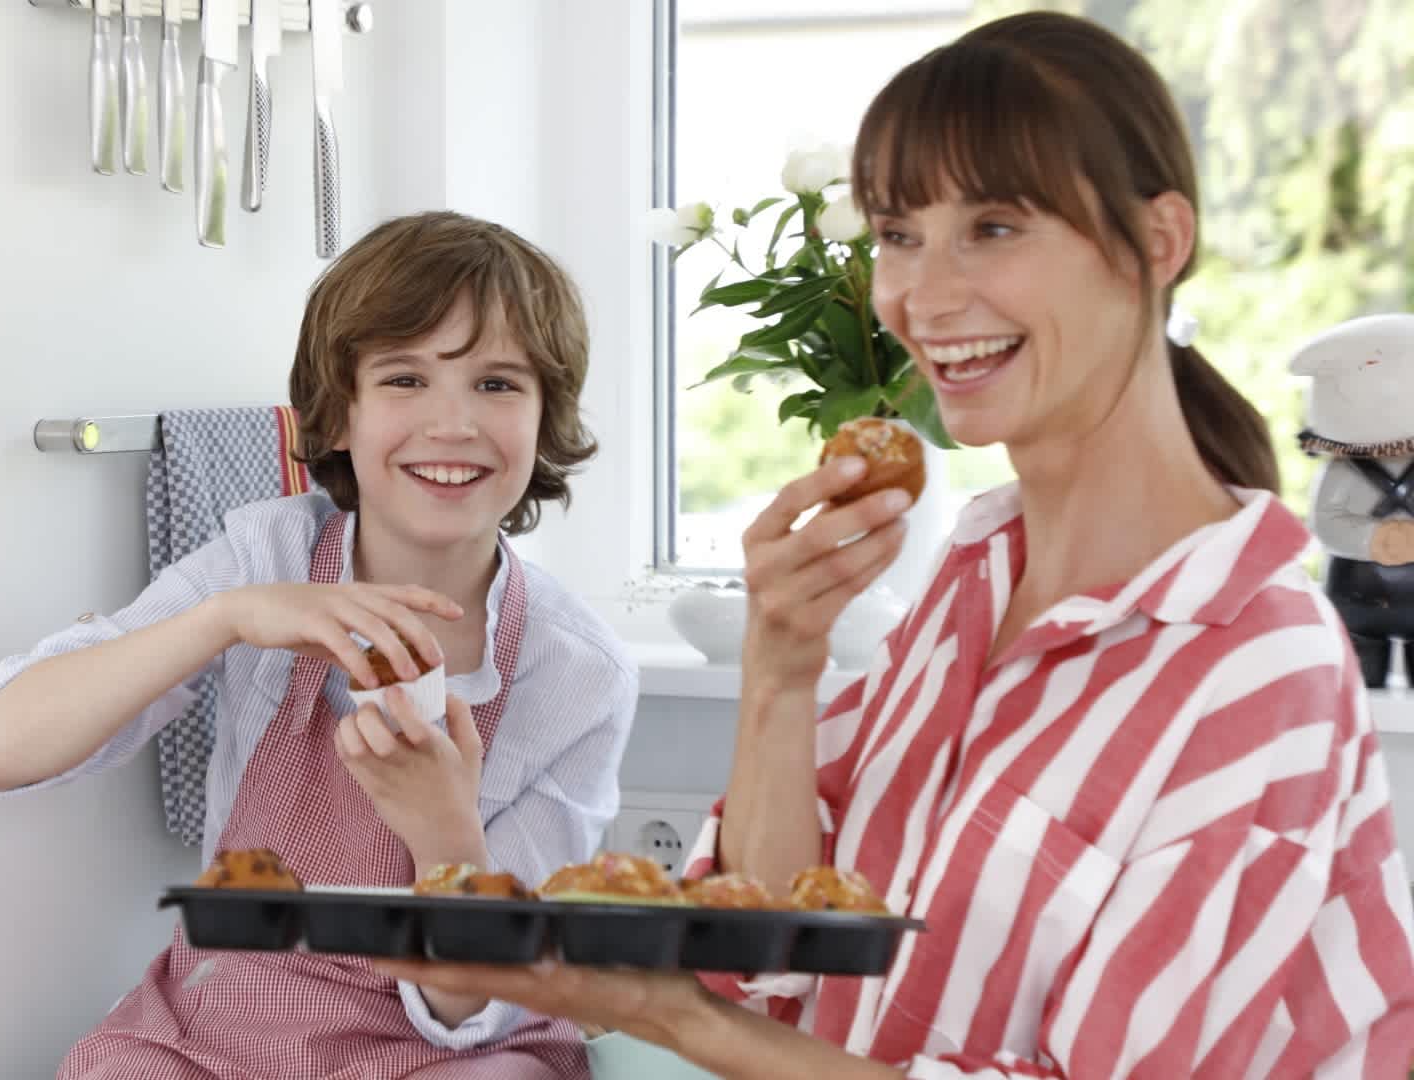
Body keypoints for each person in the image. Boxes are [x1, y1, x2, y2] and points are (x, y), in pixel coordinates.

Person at [381, 13, 1414, 1078]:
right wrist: (782, 665)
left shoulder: (1259, 666)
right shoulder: (972, 582)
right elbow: (774, 950)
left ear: (1159, 242)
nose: (922, 294)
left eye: (996, 227)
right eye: (898, 234)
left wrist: (677, 1021)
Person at [0, 211, 639, 1079]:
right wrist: (222, 619)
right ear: (339, 414)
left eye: (498, 384)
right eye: (405, 378)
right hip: (206, 1030)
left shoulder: (577, 672)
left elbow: (481, 999)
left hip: (446, 1051)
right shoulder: (261, 557)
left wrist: (443, 831)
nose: (453, 422)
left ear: (546, 420)